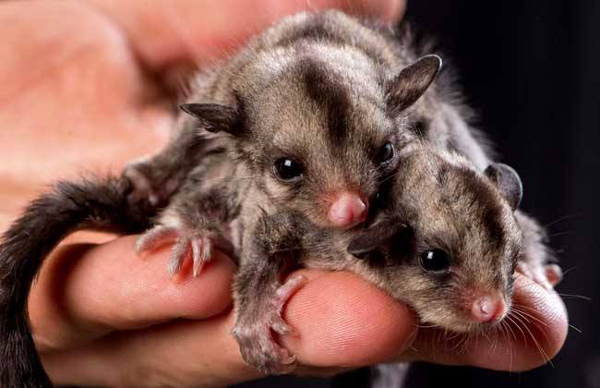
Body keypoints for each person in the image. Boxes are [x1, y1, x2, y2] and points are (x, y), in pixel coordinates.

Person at [0, 0, 567, 386]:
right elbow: (212, 135)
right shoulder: (244, 99)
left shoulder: (408, 118)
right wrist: (166, 174)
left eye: (381, 155)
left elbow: (448, 150)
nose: (351, 207)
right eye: (293, 168)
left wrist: (507, 237)